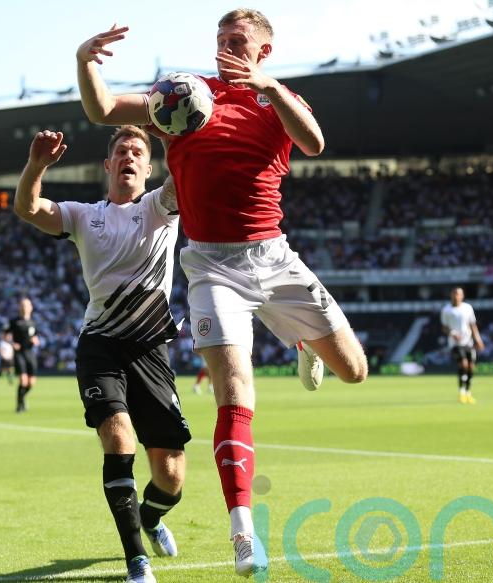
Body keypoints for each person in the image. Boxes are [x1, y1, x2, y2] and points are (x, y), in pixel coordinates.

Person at [76, 9, 368, 577]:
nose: (225, 50)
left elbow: (314, 142)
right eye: (220, 41)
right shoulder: (185, 96)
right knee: (235, 394)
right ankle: (243, 532)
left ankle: (302, 343)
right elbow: (103, 109)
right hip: (212, 265)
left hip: (275, 257)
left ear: (264, 51)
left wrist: (270, 89)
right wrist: (85, 61)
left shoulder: (278, 101)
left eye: (237, 41)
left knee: (355, 370)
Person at [14, 126, 190, 583]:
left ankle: (150, 519)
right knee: (119, 439)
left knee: (171, 476)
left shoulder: (159, 207)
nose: (129, 156)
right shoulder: (82, 215)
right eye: (120, 151)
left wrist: (172, 137)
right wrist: (38, 165)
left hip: (151, 350)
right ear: (108, 166)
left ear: (148, 169)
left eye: (137, 151)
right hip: (100, 346)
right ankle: (137, 560)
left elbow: (185, 176)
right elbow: (28, 208)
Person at [441, 287, 485, 404]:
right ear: (451, 295)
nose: (456, 296)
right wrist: (452, 333)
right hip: (455, 343)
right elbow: (444, 327)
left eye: (459, 294)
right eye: (454, 293)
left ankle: (468, 392)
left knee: (471, 367)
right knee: (463, 365)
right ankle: (461, 393)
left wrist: (478, 340)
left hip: (468, 342)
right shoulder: (447, 310)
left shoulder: (467, 308)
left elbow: (472, 325)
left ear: (462, 296)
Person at [7, 297, 40, 413]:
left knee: (31, 383)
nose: (24, 307)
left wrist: (36, 340)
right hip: (19, 353)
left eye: (27, 305)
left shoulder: (33, 322)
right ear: (19, 307)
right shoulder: (14, 321)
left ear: (31, 308)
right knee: (23, 380)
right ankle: (19, 405)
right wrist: (12, 343)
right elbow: (5, 335)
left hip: (30, 353)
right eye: (22, 305)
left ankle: (22, 397)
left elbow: (35, 336)